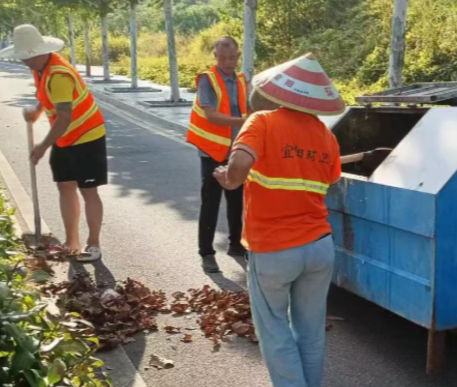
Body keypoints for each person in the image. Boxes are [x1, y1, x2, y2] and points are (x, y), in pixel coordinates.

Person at [213, 53, 345, 387]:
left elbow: (240, 163)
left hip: (274, 249)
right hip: (319, 247)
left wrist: (228, 179)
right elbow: (328, 181)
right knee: (310, 331)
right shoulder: (327, 138)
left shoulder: (263, 122)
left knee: (274, 330)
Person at [0, 25, 107, 262]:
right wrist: (37, 112)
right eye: (22, 56)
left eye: (27, 56)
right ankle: (72, 242)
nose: (25, 61)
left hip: (87, 136)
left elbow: (64, 116)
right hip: (65, 137)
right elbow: (44, 95)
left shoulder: (59, 74)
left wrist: (42, 146)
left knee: (88, 190)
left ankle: (93, 244)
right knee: (65, 186)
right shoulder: (40, 67)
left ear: (40, 51)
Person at [186, 36, 249, 273]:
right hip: (212, 151)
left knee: (236, 200)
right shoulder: (207, 80)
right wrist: (245, 121)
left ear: (238, 56)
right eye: (223, 57)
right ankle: (207, 253)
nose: (228, 62)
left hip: (236, 149)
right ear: (215, 56)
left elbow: (250, 107)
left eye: (232, 57)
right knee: (210, 203)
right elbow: (211, 115)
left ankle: (236, 245)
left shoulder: (242, 80)